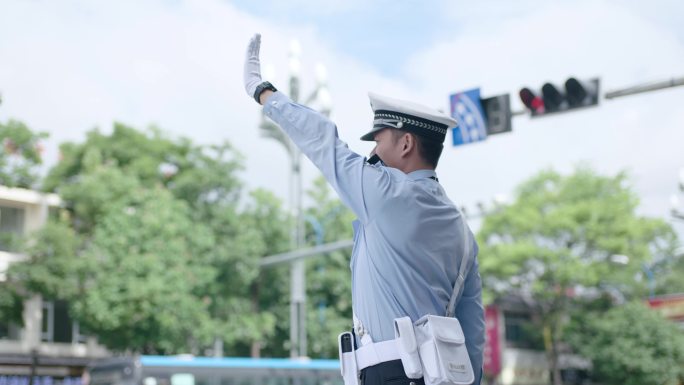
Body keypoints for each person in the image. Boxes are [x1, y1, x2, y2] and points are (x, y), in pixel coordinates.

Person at [243, 34, 485, 385]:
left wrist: (263, 92)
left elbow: (323, 142)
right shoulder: (463, 232)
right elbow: (473, 331)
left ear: (406, 143)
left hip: (390, 374)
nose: (372, 152)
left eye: (378, 140)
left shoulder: (386, 193)